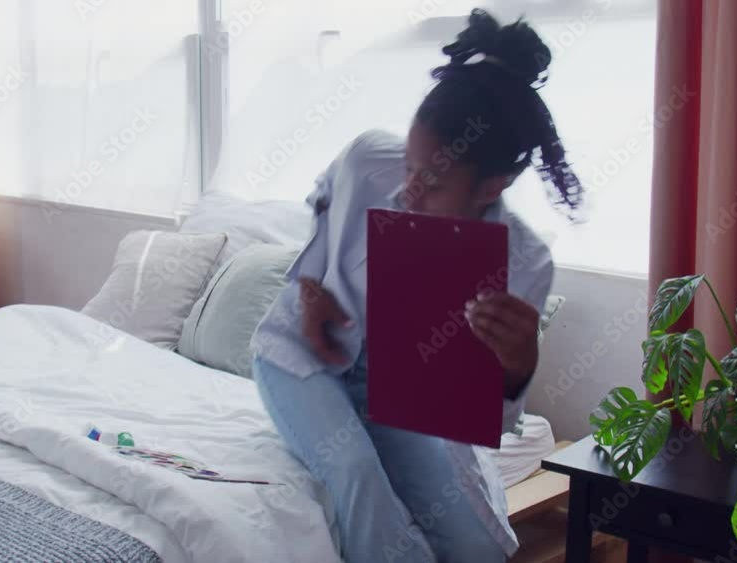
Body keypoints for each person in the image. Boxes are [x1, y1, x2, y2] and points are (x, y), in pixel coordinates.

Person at [250, 9, 583, 563]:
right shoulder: (366, 161)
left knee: (477, 543)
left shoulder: (522, 263)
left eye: (432, 179)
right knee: (355, 473)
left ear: (490, 187)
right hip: (300, 360)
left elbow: (483, 420)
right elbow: (322, 202)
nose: (408, 189)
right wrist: (310, 289)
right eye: (409, 164)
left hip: (398, 394)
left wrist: (520, 364)